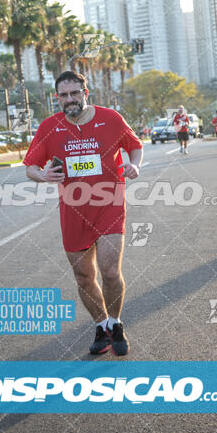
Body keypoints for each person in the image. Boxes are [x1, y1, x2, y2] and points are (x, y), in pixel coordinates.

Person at [24, 71, 143, 356]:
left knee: (110, 271)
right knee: (83, 276)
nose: (70, 100)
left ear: (85, 92)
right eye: (63, 95)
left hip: (109, 204)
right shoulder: (49, 127)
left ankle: (116, 324)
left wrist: (135, 165)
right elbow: (31, 167)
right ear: (57, 98)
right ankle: (101, 326)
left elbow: (135, 146)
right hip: (73, 210)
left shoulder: (111, 119)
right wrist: (44, 176)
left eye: (74, 93)